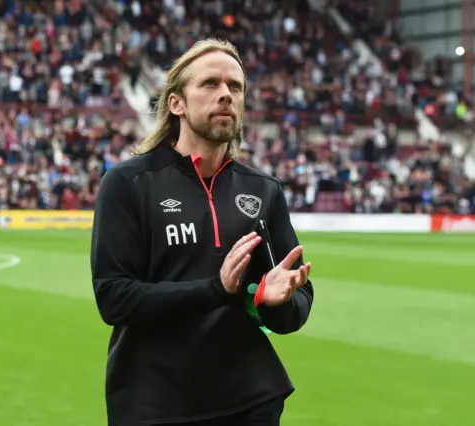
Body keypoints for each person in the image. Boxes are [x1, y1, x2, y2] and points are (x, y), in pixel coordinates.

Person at [90, 38, 315, 426]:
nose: (226, 94)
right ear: (176, 103)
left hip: (249, 400)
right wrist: (215, 289)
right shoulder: (129, 183)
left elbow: (296, 300)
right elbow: (114, 298)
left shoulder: (262, 189)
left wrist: (276, 303)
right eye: (210, 84)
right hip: (154, 403)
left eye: (235, 86)